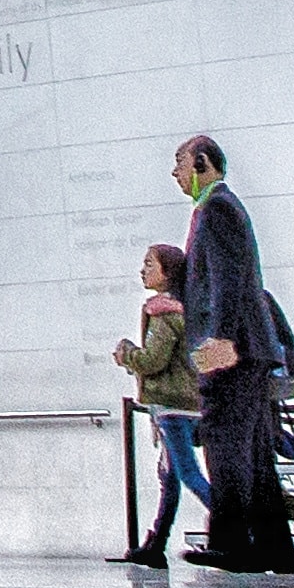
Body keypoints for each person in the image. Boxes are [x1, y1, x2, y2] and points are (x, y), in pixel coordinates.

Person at [174, 134, 294, 575]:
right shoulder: (218, 209)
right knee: (257, 455)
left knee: (226, 445)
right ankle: (274, 549)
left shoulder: (217, 209)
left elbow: (228, 280)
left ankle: (232, 544)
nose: (175, 173)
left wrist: (222, 338)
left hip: (235, 351)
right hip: (248, 349)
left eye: (181, 163)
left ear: (202, 162)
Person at [114, 241, 210, 567]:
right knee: (169, 478)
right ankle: (156, 544)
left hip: (171, 407)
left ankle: (237, 530)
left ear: (166, 273)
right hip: (183, 404)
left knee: (187, 474)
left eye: (149, 264)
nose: (143, 270)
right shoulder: (184, 309)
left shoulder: (163, 313)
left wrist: (127, 354)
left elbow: (153, 360)